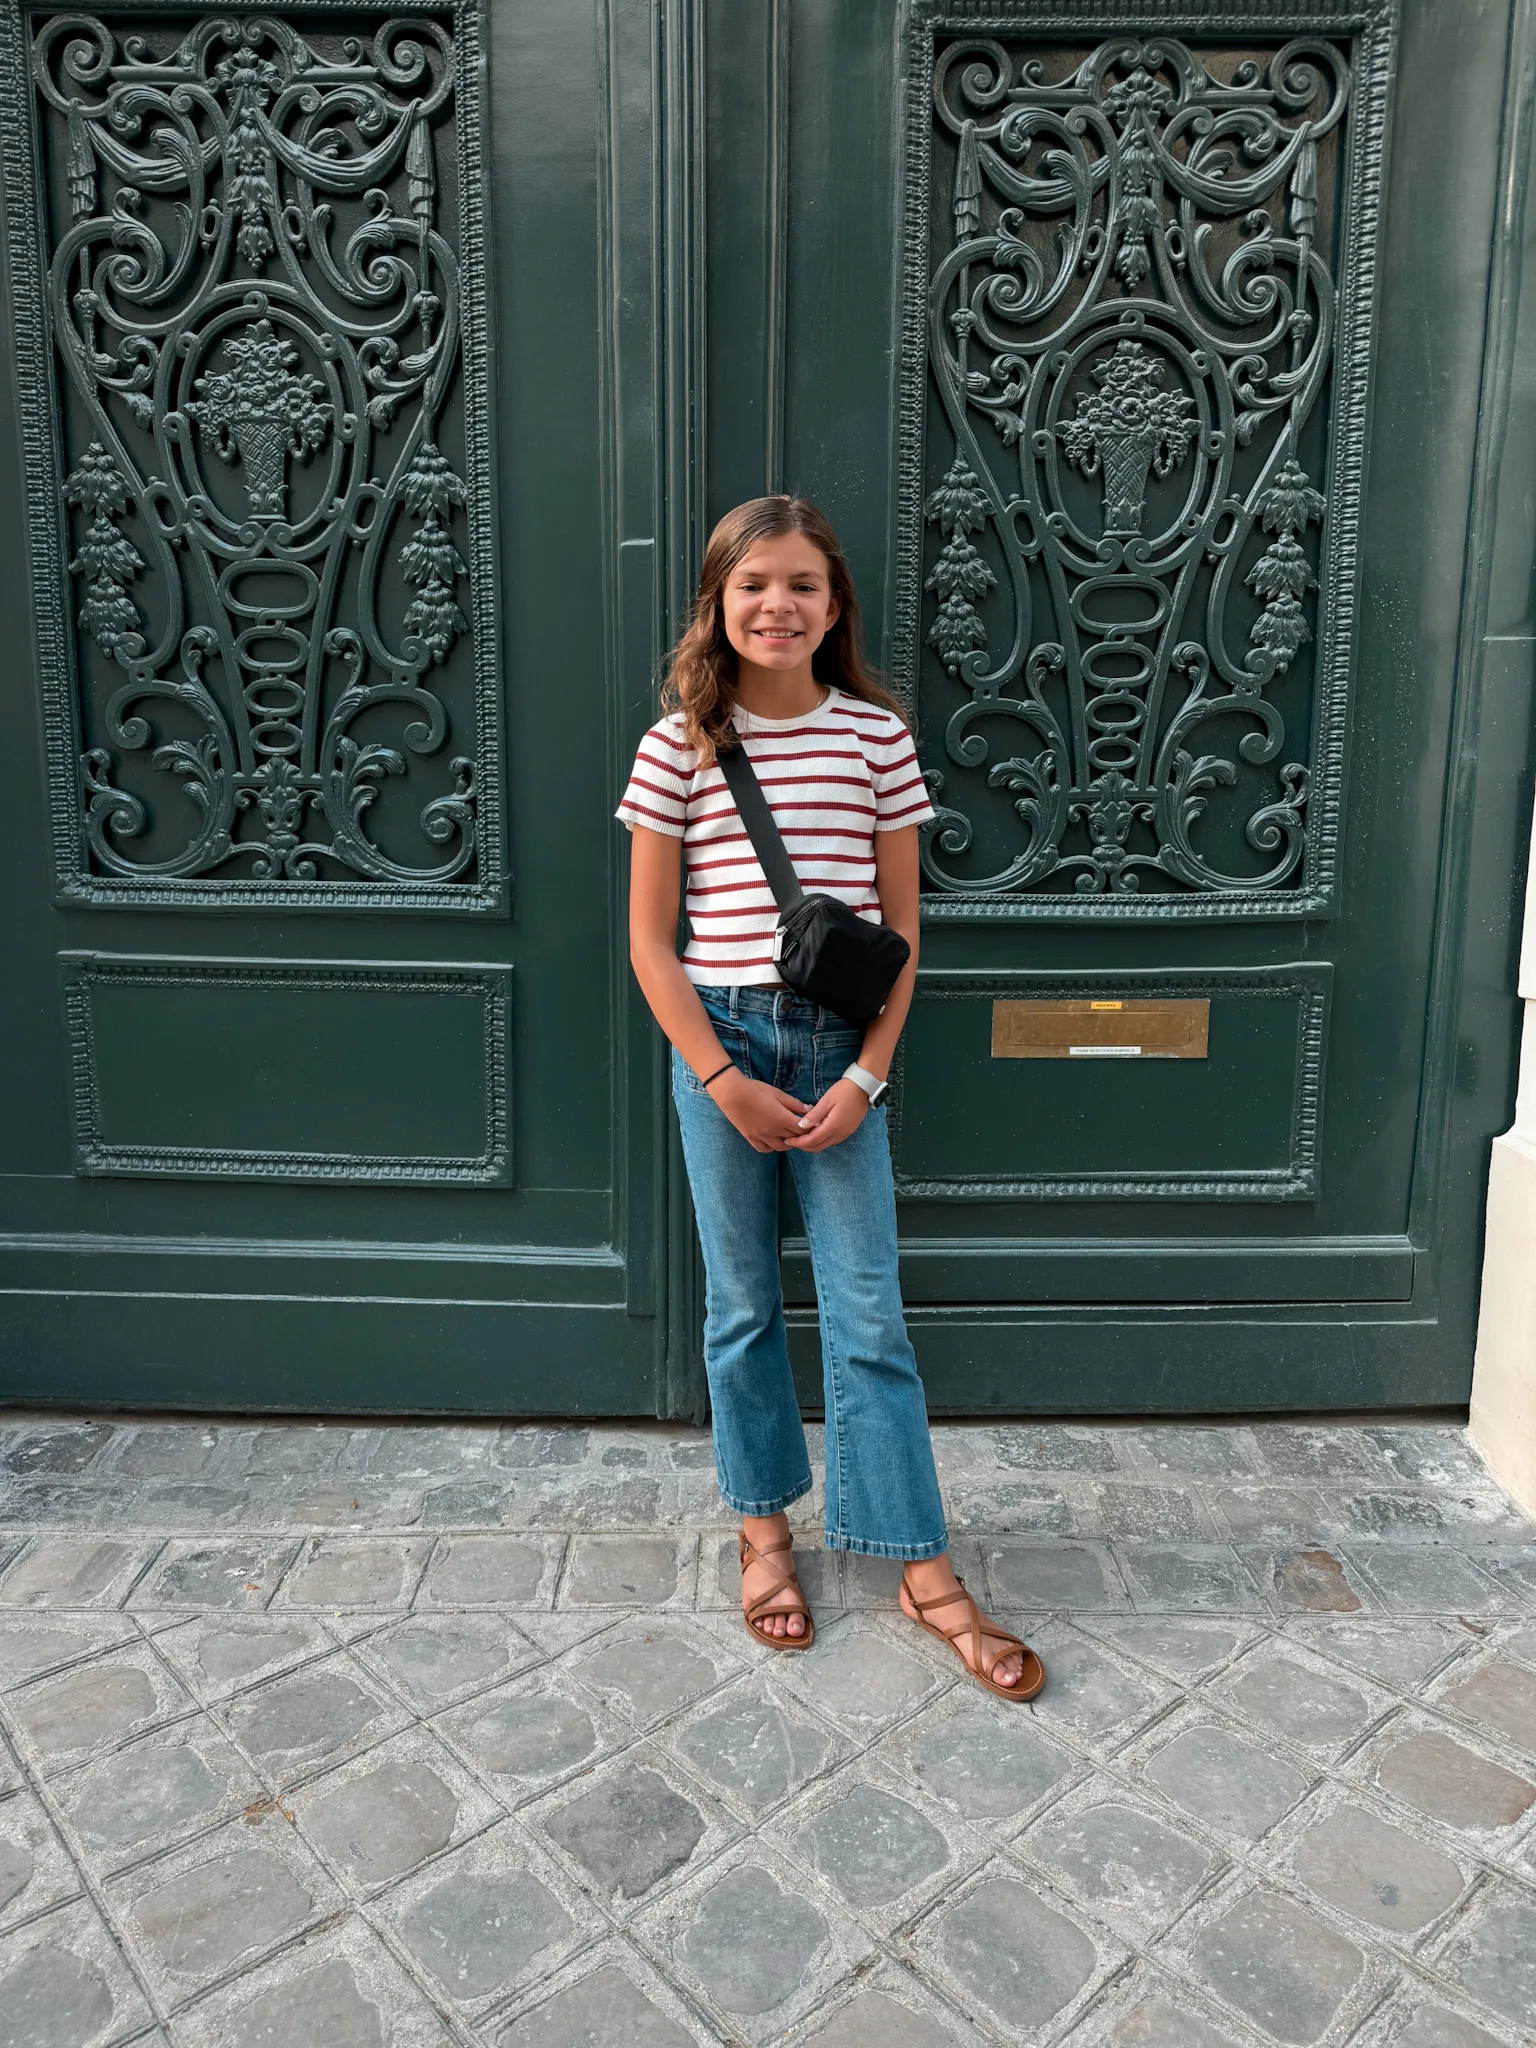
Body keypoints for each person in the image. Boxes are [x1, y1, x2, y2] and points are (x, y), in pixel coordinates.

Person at [618, 494, 1043, 1701]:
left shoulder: (874, 736)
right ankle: (764, 1533)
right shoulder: (678, 744)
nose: (777, 606)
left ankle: (917, 1559)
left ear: (834, 602)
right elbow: (653, 943)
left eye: (802, 583)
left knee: (870, 1317)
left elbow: (904, 930)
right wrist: (719, 1077)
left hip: (840, 1048)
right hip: (724, 1041)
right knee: (743, 1307)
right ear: (717, 601)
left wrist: (865, 1075)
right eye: (753, 585)